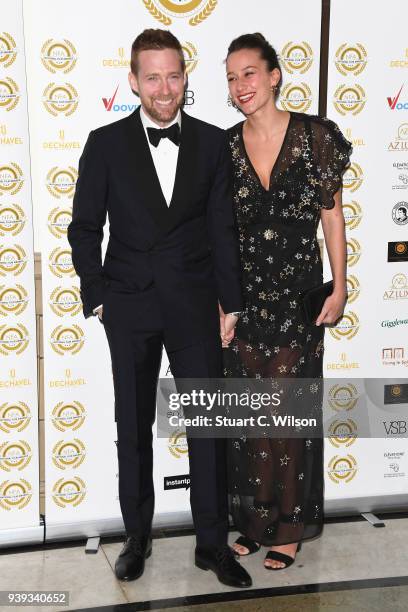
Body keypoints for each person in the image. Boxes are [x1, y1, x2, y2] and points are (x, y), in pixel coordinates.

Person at [68, 28, 251, 589]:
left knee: (207, 428)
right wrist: (97, 296)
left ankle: (212, 545)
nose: (164, 88)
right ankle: (137, 538)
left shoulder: (213, 142)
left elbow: (223, 229)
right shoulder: (104, 142)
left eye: (174, 75)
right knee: (133, 425)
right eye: (153, 76)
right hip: (129, 305)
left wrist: (232, 304)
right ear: (133, 81)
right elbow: (83, 227)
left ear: (184, 78)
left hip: (196, 304)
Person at [222, 33, 352, 570]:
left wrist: (341, 286)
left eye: (249, 73)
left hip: (299, 301)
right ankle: (257, 519)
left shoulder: (315, 137)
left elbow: (332, 216)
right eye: (230, 78)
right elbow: (220, 233)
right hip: (246, 302)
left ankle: (290, 527)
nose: (240, 86)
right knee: (252, 418)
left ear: (274, 75)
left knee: (287, 417)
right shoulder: (224, 147)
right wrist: (222, 304)